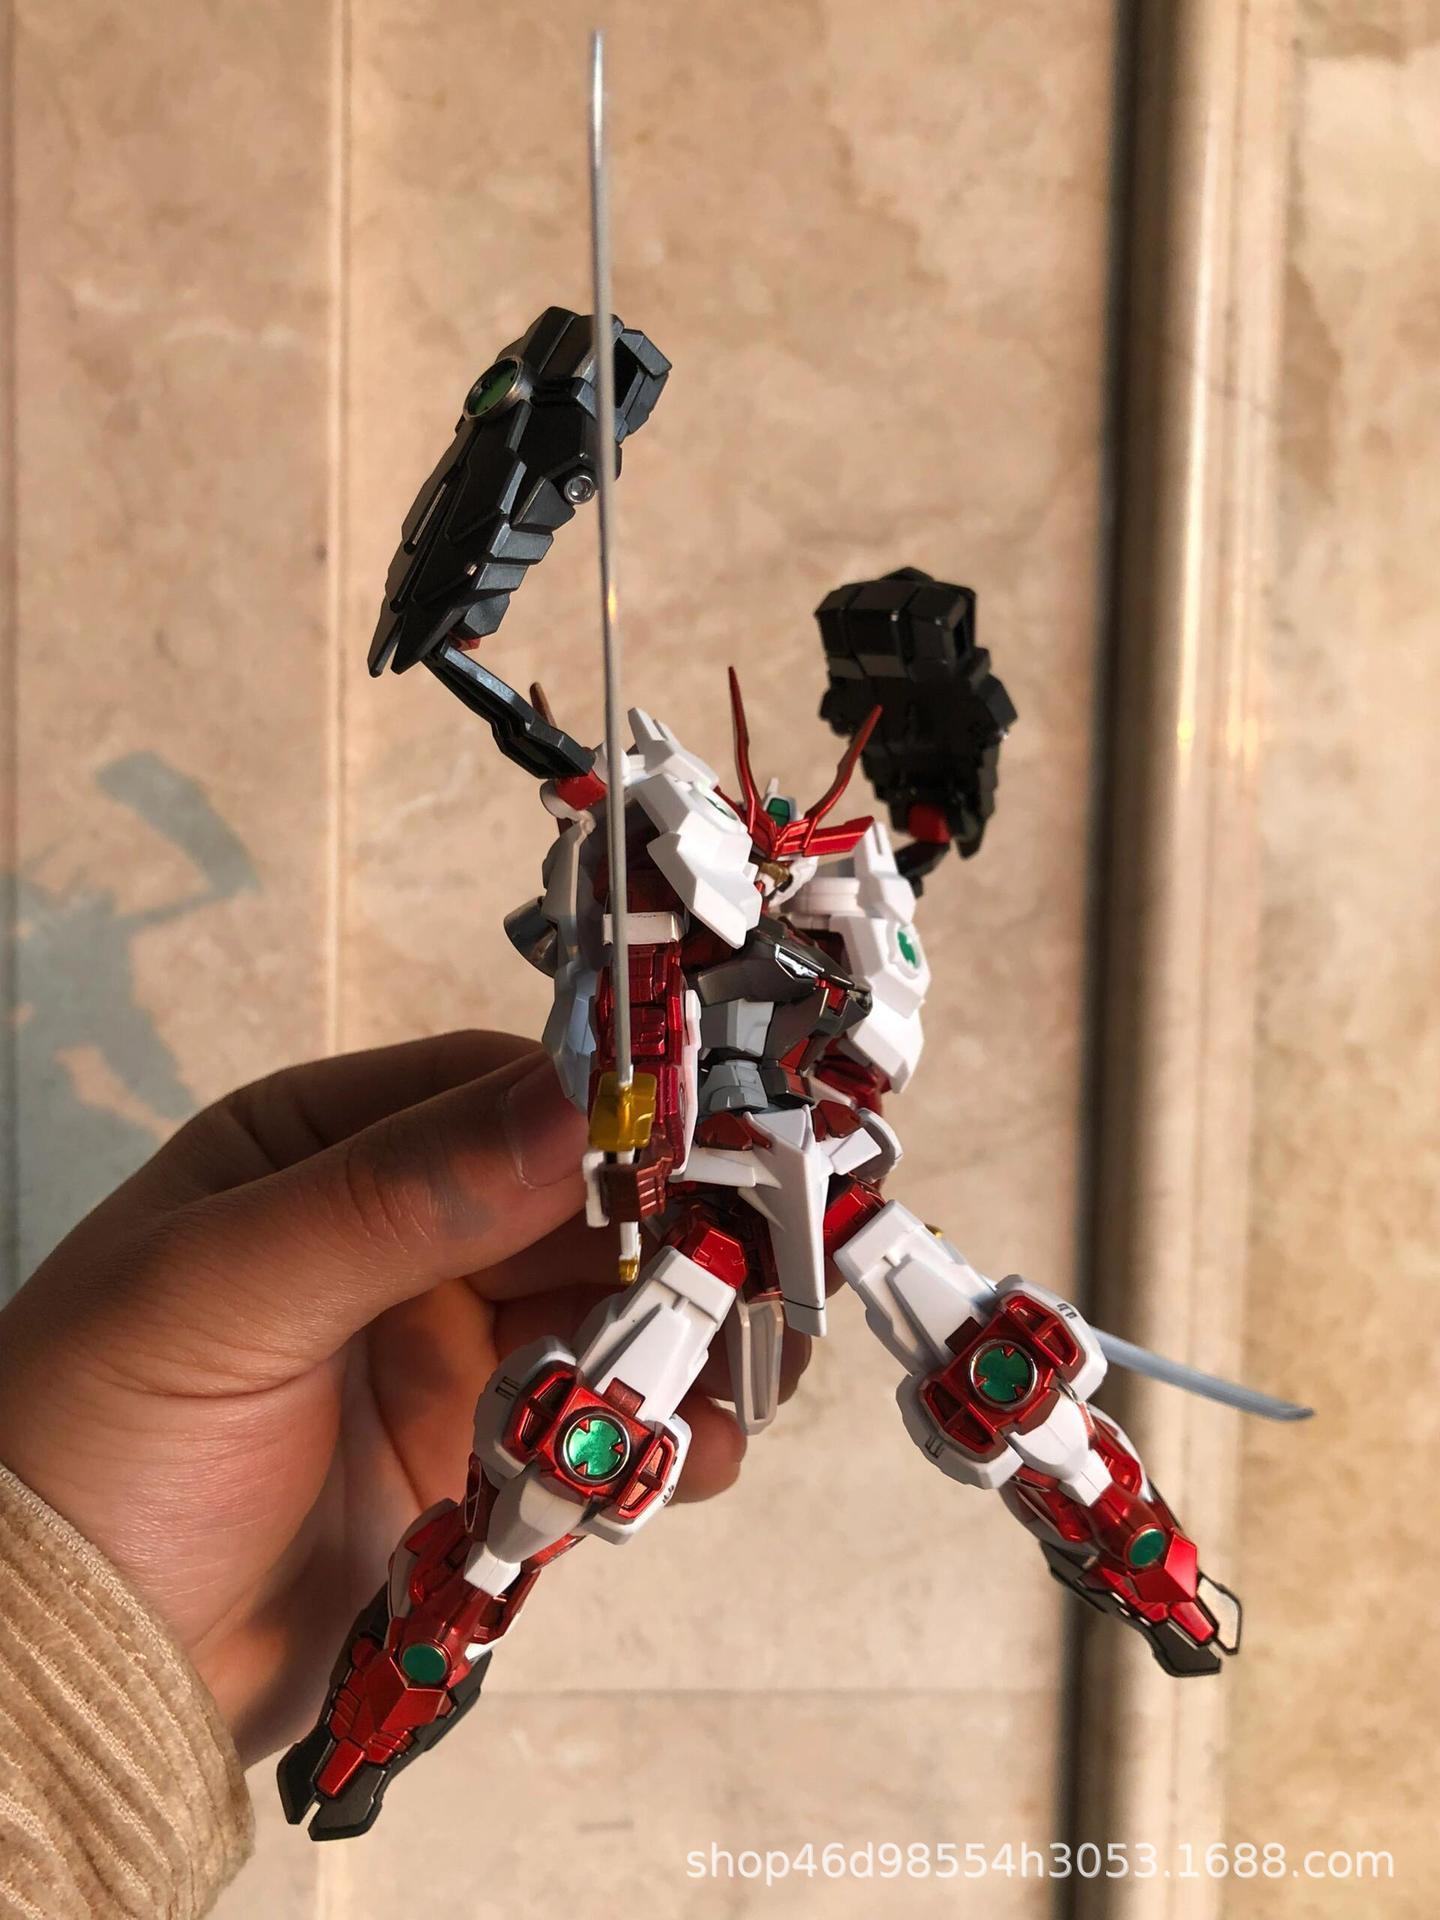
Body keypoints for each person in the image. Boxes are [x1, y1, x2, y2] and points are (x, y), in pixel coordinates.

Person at [0, 1031, 796, 1918]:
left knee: (456, 1615)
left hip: (586, 1420)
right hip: (557, 1432)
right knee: (449, 1616)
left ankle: (358, 1753)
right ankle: (355, 1756)